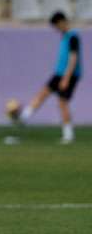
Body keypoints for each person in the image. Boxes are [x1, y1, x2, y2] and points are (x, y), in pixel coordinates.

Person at [11, 11, 83, 143]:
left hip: (69, 75)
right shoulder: (65, 36)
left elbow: (74, 58)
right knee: (42, 93)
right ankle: (23, 118)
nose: (56, 29)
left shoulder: (73, 37)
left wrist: (66, 78)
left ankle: (68, 135)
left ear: (61, 22)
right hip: (59, 73)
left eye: (56, 26)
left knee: (62, 103)